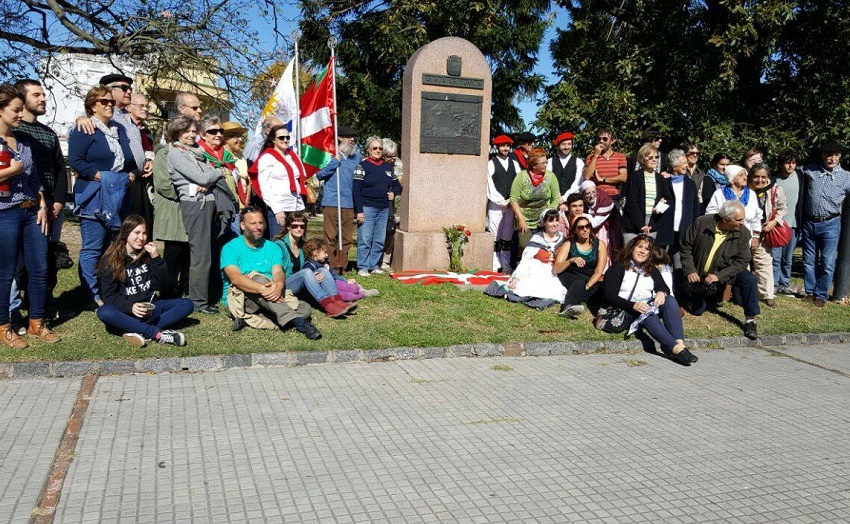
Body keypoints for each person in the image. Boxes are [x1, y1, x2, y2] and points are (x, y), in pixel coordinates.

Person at [0, 84, 60, 348]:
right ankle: (4, 326)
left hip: (32, 211)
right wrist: (12, 170)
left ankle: (37, 322)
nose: (19, 114)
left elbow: (34, 176)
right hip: (5, 213)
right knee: (5, 272)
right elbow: (16, 171)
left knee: (40, 268)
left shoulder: (23, 141)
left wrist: (44, 202)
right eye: (15, 110)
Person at [68, 85, 137, 306]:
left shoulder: (119, 129)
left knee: (115, 245)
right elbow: (76, 161)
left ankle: (110, 289)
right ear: (92, 105)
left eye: (110, 101)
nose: (109, 104)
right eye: (103, 101)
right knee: (93, 246)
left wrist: (133, 174)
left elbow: (130, 162)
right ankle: (91, 294)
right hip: (94, 194)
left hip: (119, 194)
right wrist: (103, 177)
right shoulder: (85, 128)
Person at [220, 207, 320, 339]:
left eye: (261, 223)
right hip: (242, 297)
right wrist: (263, 289)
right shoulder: (231, 248)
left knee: (305, 309)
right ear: (243, 225)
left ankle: (252, 319)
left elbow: (278, 271)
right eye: (253, 223)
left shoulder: (272, 247)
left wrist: (278, 285)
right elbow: (236, 279)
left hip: (271, 295)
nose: (258, 227)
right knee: (258, 278)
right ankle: (299, 323)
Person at [96, 215, 193, 347]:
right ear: (126, 233)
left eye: (144, 233)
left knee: (186, 304)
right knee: (104, 311)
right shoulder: (111, 260)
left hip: (149, 308)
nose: (141, 238)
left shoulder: (147, 255)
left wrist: (157, 259)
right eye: (137, 233)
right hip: (126, 311)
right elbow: (109, 296)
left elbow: (163, 286)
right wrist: (130, 307)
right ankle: (156, 334)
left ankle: (134, 329)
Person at [14, 79, 68, 303]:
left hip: (51, 204)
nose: (43, 98)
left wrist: (59, 201)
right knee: (17, 259)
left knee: (45, 255)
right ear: (21, 98)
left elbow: (59, 170)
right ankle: (13, 305)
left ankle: (41, 299)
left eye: (43, 94)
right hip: (22, 202)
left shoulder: (48, 133)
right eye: (36, 95)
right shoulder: (13, 131)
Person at [604, 234, 696, 365]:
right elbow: (610, 295)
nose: (642, 251)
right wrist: (633, 305)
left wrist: (660, 292)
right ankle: (675, 350)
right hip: (626, 308)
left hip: (646, 305)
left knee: (668, 299)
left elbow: (663, 286)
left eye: (647, 249)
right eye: (639, 247)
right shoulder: (618, 267)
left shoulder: (650, 269)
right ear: (631, 248)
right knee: (647, 314)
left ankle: (680, 344)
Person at [679, 200, 761, 340]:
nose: (742, 223)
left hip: (724, 272)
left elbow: (742, 260)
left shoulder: (743, 233)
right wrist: (690, 270)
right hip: (698, 273)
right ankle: (697, 297)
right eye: (739, 220)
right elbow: (685, 247)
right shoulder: (701, 223)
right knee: (698, 310)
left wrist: (720, 275)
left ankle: (750, 320)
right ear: (725, 219)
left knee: (749, 279)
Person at [166, 115, 223, 314]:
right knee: (201, 256)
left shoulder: (194, 152)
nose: (191, 135)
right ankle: (199, 302)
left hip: (206, 204)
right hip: (195, 206)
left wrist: (210, 175)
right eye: (186, 131)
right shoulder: (177, 154)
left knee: (205, 254)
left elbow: (206, 175)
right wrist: (218, 172)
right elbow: (202, 176)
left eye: (193, 131)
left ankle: (202, 297)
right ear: (176, 133)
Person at [799, 141, 850, 306]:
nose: (832, 158)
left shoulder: (846, 177)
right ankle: (810, 291)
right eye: (828, 154)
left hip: (831, 223)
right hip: (809, 222)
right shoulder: (811, 170)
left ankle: (821, 295)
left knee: (827, 261)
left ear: (840, 156)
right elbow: (791, 172)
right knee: (808, 260)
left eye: (835, 154)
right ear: (822, 155)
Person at [274, 212, 353, 317]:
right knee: (306, 272)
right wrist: (309, 275)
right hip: (285, 284)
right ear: (288, 227)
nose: (299, 229)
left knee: (323, 270)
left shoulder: (303, 245)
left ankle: (337, 301)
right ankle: (328, 306)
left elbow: (309, 266)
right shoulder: (279, 245)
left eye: (302, 226)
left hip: (301, 281)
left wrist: (313, 276)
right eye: (294, 226)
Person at [353, 136, 402, 276]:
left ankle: (374, 265)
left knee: (379, 239)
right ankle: (362, 267)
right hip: (367, 207)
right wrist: (359, 211)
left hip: (384, 208)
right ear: (368, 150)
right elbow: (356, 190)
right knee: (365, 238)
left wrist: (393, 192)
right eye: (375, 148)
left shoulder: (387, 167)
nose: (378, 150)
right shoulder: (362, 166)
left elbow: (397, 184)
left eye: (380, 148)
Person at [315, 125, 359, 273]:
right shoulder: (329, 155)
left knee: (347, 237)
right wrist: (334, 162)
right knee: (331, 236)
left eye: (353, 137)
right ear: (340, 138)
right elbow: (319, 175)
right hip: (332, 202)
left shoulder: (356, 156)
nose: (352, 140)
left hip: (348, 203)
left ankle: (343, 265)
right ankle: (332, 265)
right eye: (349, 137)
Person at [256, 124, 307, 238]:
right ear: (273, 139)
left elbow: (301, 175)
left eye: (287, 137)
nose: (285, 140)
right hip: (279, 207)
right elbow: (264, 186)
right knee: (279, 241)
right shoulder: (267, 157)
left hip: (295, 206)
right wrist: (277, 209)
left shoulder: (293, 156)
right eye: (281, 138)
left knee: (296, 242)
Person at [506, 209, 567, 303]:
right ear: (544, 223)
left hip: (557, 271)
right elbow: (525, 261)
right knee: (527, 287)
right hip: (538, 270)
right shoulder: (537, 239)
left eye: (556, 220)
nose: (555, 224)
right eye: (551, 221)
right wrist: (517, 277)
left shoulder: (562, 239)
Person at [553, 213, 607, 318]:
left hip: (589, 278)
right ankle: (569, 306)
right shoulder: (569, 244)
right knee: (579, 283)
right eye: (581, 227)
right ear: (575, 230)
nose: (585, 230)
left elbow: (598, 271)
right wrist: (571, 260)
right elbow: (556, 268)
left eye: (587, 226)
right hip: (570, 275)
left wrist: (587, 286)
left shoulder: (599, 244)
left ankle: (599, 312)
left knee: (600, 288)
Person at [662, 149, 701, 289]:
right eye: (683, 163)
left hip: (684, 230)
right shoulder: (664, 182)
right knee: (661, 260)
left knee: (680, 263)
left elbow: (696, 208)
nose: (686, 165)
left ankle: (679, 292)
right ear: (674, 166)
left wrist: (695, 229)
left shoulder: (690, 184)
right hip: (666, 229)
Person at [621, 143, 674, 246]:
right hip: (633, 227)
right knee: (630, 257)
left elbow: (669, 199)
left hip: (651, 226)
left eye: (656, 157)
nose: (654, 159)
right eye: (650, 157)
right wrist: (641, 225)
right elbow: (632, 202)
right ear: (642, 159)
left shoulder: (660, 179)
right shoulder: (635, 177)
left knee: (647, 258)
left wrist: (661, 206)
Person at [749, 163, 786, 308]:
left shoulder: (775, 189)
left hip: (765, 232)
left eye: (763, 177)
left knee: (764, 263)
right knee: (743, 263)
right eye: (756, 177)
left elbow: (783, 209)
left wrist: (774, 222)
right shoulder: (744, 190)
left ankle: (766, 295)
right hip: (747, 231)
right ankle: (742, 293)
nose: (760, 180)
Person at [509, 148, 560, 251]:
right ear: (534, 165)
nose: (545, 165)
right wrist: (521, 219)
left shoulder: (551, 176)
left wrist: (548, 216)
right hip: (525, 220)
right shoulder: (521, 177)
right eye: (542, 163)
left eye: (546, 162)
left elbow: (556, 198)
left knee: (542, 249)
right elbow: (513, 199)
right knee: (526, 248)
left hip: (544, 220)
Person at [303, 238, 379, 303]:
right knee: (346, 296)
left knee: (354, 288)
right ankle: (362, 293)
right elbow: (307, 279)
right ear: (315, 253)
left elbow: (334, 275)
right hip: (327, 290)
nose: (326, 255)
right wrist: (314, 278)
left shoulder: (325, 262)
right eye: (325, 252)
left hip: (335, 283)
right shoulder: (309, 266)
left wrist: (346, 281)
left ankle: (358, 288)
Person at [486, 134, 520, 272]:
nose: (505, 148)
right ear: (497, 147)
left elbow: (518, 184)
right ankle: (494, 265)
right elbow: (489, 185)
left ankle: (505, 265)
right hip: (496, 205)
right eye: (502, 145)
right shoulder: (491, 164)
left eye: (507, 145)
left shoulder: (515, 164)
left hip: (511, 205)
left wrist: (512, 201)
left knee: (507, 236)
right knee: (495, 235)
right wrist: (500, 201)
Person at [772, 150, 803, 295]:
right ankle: (774, 284)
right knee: (775, 257)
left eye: (793, 163)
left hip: (794, 224)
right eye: (787, 163)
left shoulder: (801, 177)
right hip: (777, 225)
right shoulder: (774, 179)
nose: (790, 166)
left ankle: (784, 283)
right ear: (781, 164)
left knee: (788, 258)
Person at [705, 164, 763, 239]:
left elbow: (757, 217)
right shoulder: (719, 193)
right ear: (731, 179)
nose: (745, 178)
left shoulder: (751, 194)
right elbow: (711, 214)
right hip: (724, 233)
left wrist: (756, 236)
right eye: (741, 175)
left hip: (746, 233)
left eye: (745, 175)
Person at [125, 92, 154, 227]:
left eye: (147, 106)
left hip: (145, 184)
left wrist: (152, 162)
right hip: (129, 181)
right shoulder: (122, 128)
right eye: (141, 105)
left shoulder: (147, 132)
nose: (145, 109)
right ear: (129, 107)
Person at [581, 181, 621, 265]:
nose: (591, 196)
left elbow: (595, 223)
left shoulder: (605, 201)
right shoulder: (581, 201)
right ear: (583, 196)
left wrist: (583, 215)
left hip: (605, 228)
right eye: (588, 194)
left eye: (593, 192)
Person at [583, 128, 628, 201]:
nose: (601, 141)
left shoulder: (620, 156)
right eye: (599, 139)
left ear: (612, 141)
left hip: (613, 197)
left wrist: (602, 180)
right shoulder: (591, 157)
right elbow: (587, 176)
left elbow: (623, 177)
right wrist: (595, 156)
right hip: (596, 197)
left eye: (605, 139)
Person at [380, 137, 403, 270]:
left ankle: (385, 261)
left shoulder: (398, 164)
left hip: (393, 204)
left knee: (390, 230)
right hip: (376, 202)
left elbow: (400, 183)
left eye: (394, 156)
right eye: (389, 156)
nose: (392, 159)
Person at [221, 121, 250, 212]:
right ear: (226, 138)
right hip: (230, 205)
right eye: (237, 136)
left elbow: (248, 180)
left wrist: (246, 202)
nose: (240, 140)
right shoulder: (221, 156)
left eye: (240, 136)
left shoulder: (240, 155)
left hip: (243, 204)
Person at [547, 131, 584, 200]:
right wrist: (558, 197)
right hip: (554, 199)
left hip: (573, 199)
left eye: (569, 144)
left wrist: (565, 197)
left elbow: (578, 182)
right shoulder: (550, 161)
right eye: (563, 144)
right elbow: (549, 181)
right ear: (558, 146)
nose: (567, 147)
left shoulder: (579, 162)